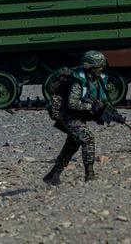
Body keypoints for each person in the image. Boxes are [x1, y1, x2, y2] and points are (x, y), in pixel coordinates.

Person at [43, 50, 110, 185]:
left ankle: (53, 175)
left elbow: (102, 99)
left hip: (78, 116)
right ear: (90, 67)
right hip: (68, 115)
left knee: (72, 144)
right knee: (88, 138)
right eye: (98, 66)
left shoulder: (98, 80)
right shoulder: (78, 81)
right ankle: (89, 175)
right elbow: (72, 103)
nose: (101, 69)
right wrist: (91, 108)